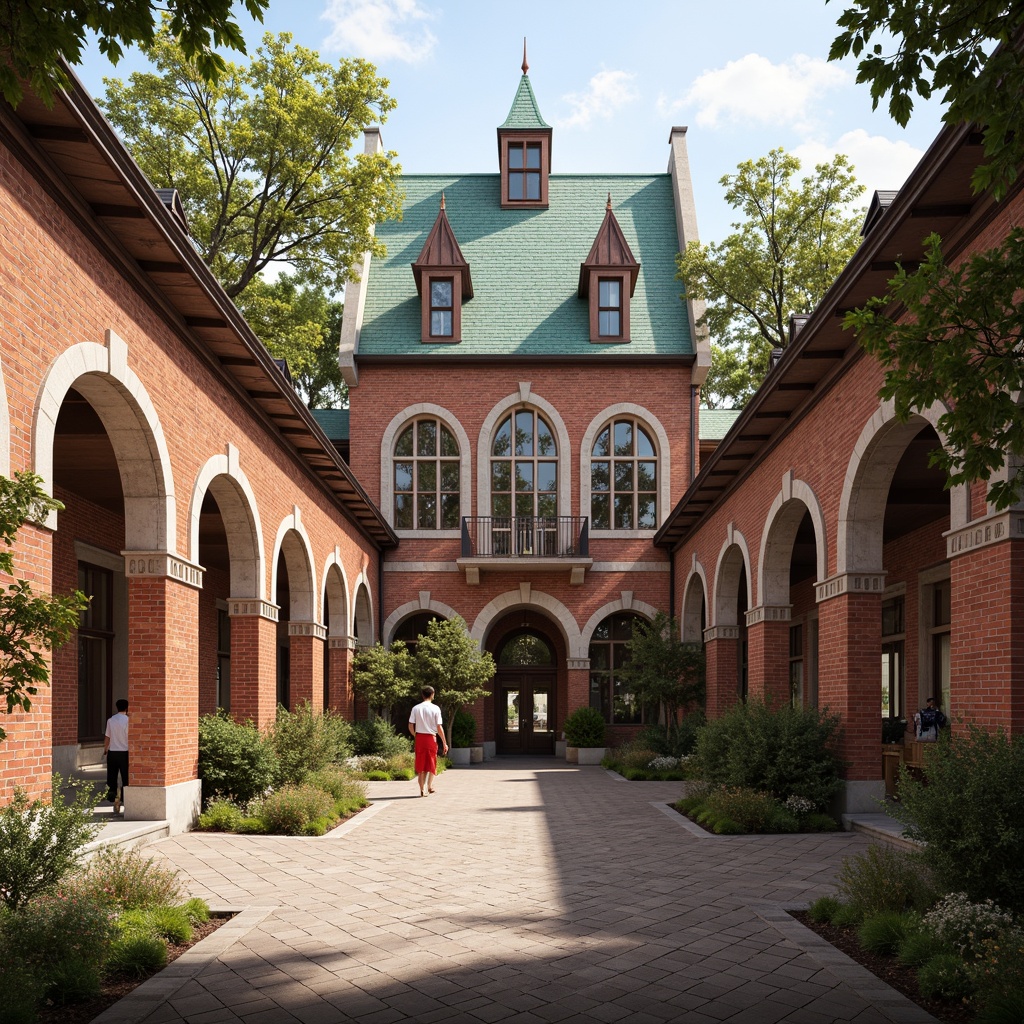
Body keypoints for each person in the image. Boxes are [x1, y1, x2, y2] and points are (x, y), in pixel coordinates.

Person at [408, 686, 448, 796]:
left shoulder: (416, 708)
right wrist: (444, 742)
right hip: (431, 738)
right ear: (432, 694)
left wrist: (415, 735)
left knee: (420, 763)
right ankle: (429, 786)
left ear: (422, 695)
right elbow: (439, 727)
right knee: (431, 762)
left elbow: (411, 725)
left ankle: (421, 788)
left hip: (420, 738)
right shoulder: (435, 708)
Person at [103, 698, 129, 814]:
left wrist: (105, 749)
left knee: (112, 778)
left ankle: (114, 800)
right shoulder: (128, 721)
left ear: (117, 707)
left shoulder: (111, 720)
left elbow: (107, 736)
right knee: (126, 778)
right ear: (127, 707)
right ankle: (125, 800)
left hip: (113, 752)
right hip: (125, 752)